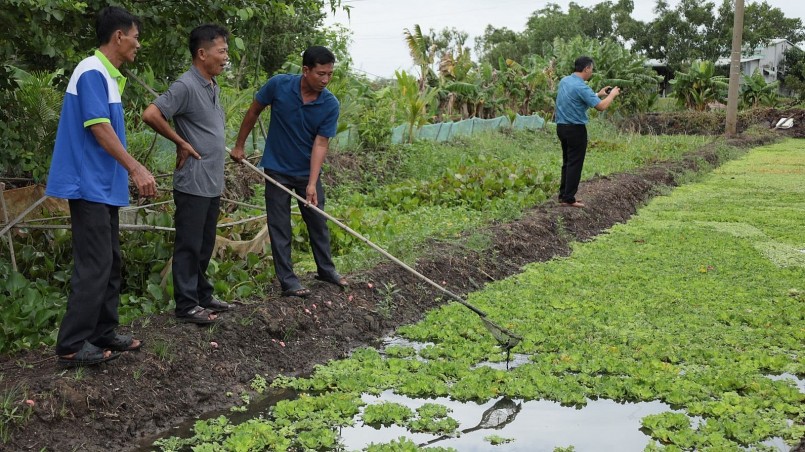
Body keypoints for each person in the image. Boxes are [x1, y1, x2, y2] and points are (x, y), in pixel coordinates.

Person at [45, 6, 156, 367]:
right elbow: (98, 127)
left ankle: (102, 332)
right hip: (87, 183)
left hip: (103, 186)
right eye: (136, 37)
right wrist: (135, 168)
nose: (138, 45)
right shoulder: (91, 71)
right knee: (94, 264)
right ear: (119, 36)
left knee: (110, 262)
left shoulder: (108, 76)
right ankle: (72, 345)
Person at [231, 46, 347, 298]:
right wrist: (239, 145)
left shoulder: (329, 103)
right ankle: (288, 281)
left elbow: (321, 143)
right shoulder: (279, 86)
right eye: (320, 74)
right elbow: (254, 111)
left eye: (330, 74)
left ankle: (326, 270)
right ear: (306, 71)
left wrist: (312, 183)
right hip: (277, 169)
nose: (326, 80)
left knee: (317, 220)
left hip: (307, 171)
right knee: (279, 225)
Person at [142, 24, 231, 324]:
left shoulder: (212, 86)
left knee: (205, 243)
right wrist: (180, 141)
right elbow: (151, 114)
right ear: (202, 53)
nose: (225, 57)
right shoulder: (186, 85)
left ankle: (202, 295)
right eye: (221, 51)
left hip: (211, 181)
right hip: (192, 180)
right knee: (189, 243)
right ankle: (187, 305)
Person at [555, 56, 620, 208]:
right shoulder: (581, 87)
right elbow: (601, 107)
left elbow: (577, 101)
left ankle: (563, 195)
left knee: (567, 161)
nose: (592, 71)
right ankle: (569, 198)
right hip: (575, 129)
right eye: (591, 68)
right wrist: (612, 95)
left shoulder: (565, 81)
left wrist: (598, 94)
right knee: (575, 163)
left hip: (562, 127)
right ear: (586, 69)